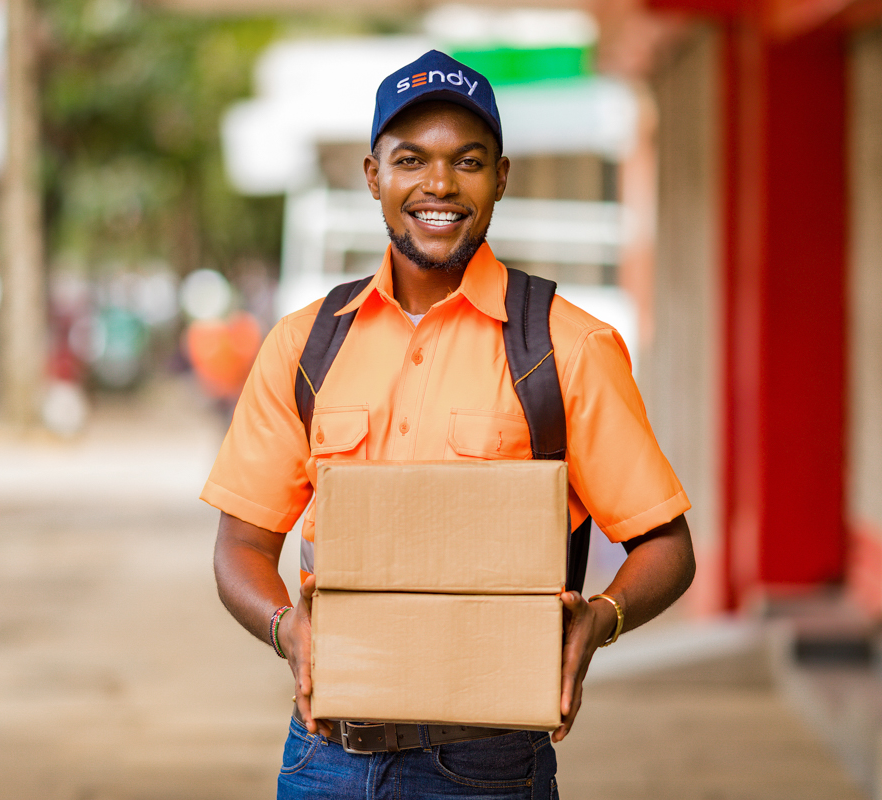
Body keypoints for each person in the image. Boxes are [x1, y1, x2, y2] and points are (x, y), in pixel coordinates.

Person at [202, 50, 696, 800]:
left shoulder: (567, 347)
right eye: (411, 160)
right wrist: (287, 630)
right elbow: (240, 545)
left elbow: (666, 545)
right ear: (374, 177)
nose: (439, 185)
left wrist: (599, 619)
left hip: (488, 768)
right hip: (324, 759)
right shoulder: (306, 344)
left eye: (467, 161)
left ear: (500, 177)